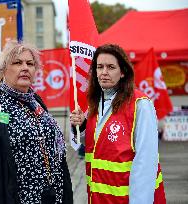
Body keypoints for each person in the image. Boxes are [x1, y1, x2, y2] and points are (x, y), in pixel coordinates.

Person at [0, 40, 73, 204]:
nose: (25, 67)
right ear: (4, 69)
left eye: (30, 63)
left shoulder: (36, 102)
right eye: (17, 63)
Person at [70, 44, 166, 204]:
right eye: (99, 67)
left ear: (122, 72)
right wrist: (82, 125)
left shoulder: (140, 104)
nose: (104, 72)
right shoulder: (94, 103)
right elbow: (99, 145)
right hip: (99, 199)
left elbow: (146, 162)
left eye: (111, 67)